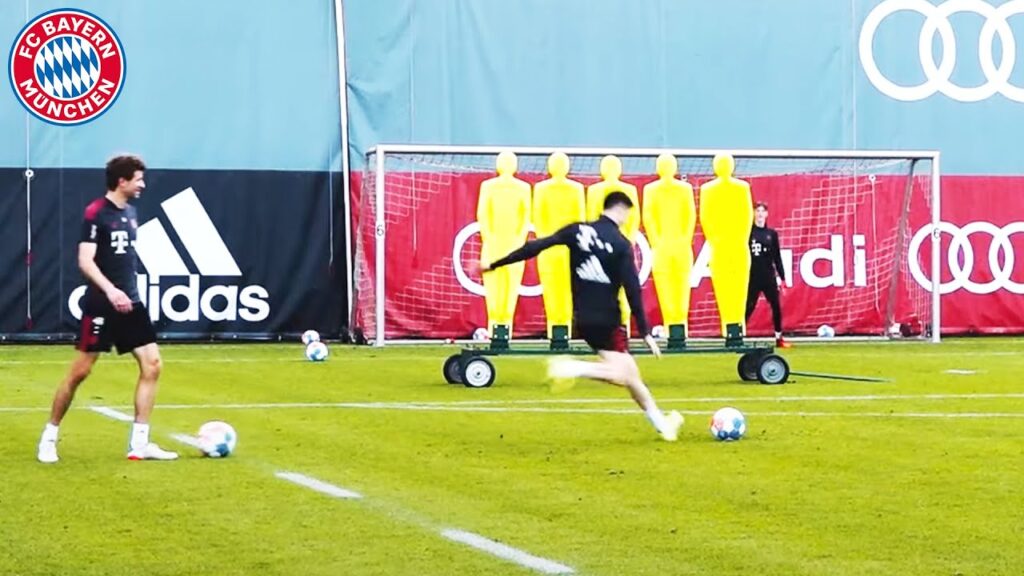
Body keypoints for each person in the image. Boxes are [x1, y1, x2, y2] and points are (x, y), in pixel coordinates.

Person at [480, 191, 685, 442]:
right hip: (608, 318)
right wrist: (645, 332)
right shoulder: (621, 244)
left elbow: (535, 247)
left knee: (631, 377)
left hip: (582, 317)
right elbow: (633, 290)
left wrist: (494, 264)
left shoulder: (577, 230)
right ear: (621, 210)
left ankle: (663, 426)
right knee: (623, 375)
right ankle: (574, 367)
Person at [37, 155, 178, 463]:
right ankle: (49, 436)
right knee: (80, 372)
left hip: (131, 302)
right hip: (102, 303)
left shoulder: (131, 212)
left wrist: (125, 292)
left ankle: (139, 444)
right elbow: (85, 261)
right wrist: (111, 290)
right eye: (138, 179)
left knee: (152, 365)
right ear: (122, 181)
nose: (143, 184)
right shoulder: (96, 213)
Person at [745, 201, 790, 348]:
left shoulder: (771, 234)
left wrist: (782, 277)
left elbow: (777, 257)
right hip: (753, 275)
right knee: (749, 306)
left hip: (768, 276)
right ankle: (738, 335)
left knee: (776, 306)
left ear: (766, 214)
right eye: (757, 211)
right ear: (753, 214)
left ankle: (779, 337)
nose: (759, 214)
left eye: (762, 211)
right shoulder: (748, 232)